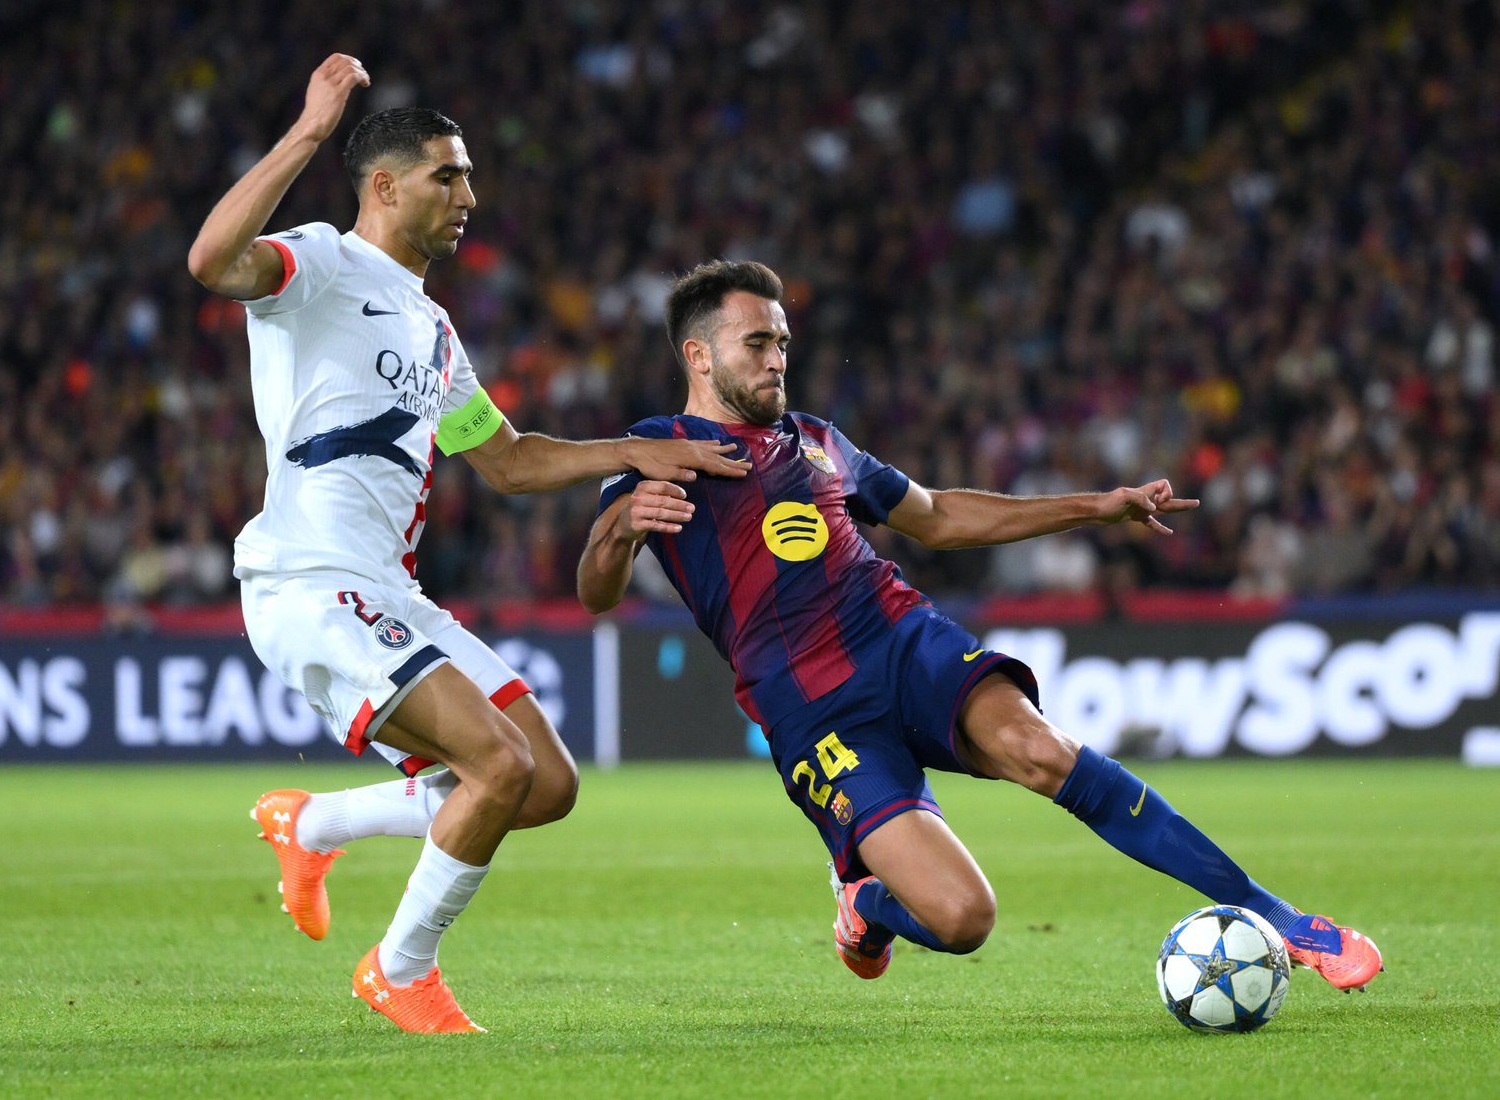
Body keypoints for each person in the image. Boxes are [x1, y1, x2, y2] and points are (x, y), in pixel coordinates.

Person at [577, 259, 1383, 993]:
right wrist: (618, 530)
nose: (777, 359)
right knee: (964, 918)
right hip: (813, 709)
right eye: (757, 343)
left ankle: (1280, 916)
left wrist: (1096, 507)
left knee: (1043, 748)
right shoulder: (655, 447)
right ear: (699, 356)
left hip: (899, 638)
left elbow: (939, 516)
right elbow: (595, 593)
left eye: (782, 342)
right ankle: (867, 903)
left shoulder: (818, 439)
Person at [186, 56, 750, 1034]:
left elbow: (511, 461)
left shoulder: (435, 329)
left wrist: (634, 450)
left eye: (470, 176)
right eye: (446, 176)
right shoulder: (320, 265)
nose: (468, 197)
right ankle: (399, 970)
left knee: (545, 782)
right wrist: (310, 130)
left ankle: (311, 824)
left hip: (389, 592)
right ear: (384, 185)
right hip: (309, 579)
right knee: (495, 763)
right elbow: (209, 261)